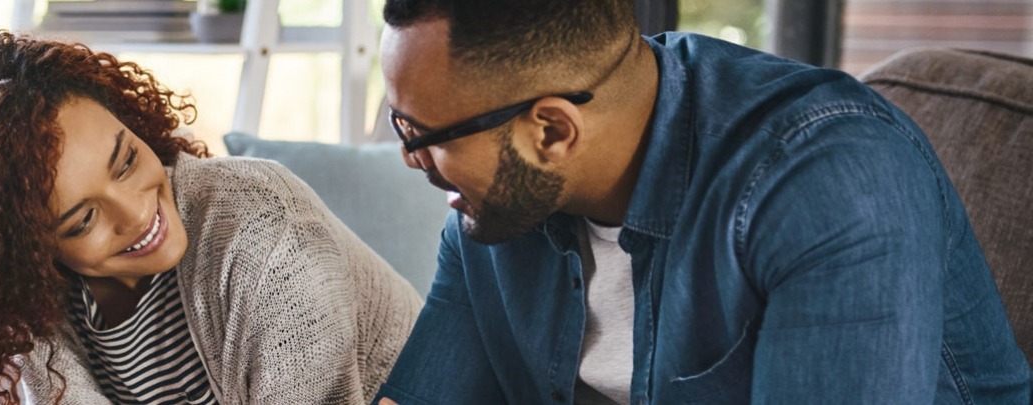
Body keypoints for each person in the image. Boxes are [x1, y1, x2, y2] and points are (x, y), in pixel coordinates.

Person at [370, 0, 1031, 404]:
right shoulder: (498, 209)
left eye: (422, 133)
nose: (408, 156)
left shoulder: (830, 181)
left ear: (551, 130)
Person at [0, 31, 422, 404]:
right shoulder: (29, 311)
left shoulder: (264, 232)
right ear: (28, 253)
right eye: (82, 221)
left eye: (127, 159)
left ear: (129, 118)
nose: (136, 212)